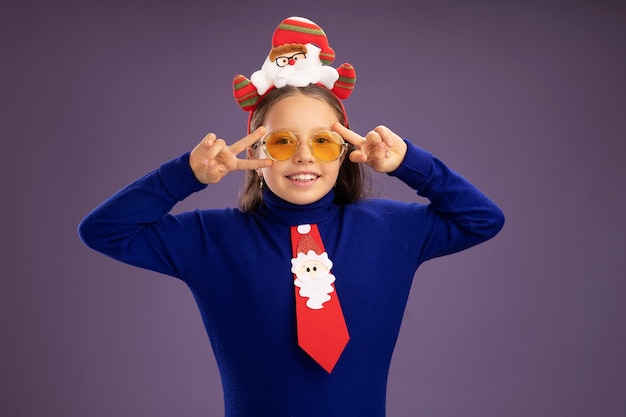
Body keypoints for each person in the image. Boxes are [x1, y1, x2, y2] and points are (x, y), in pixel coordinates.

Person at [78, 16, 504, 417]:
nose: (303, 156)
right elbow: (104, 229)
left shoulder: (391, 229)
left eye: (321, 141)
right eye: (283, 141)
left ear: (344, 153)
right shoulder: (211, 239)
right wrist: (183, 176)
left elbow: (482, 219)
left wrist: (410, 163)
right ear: (255, 151)